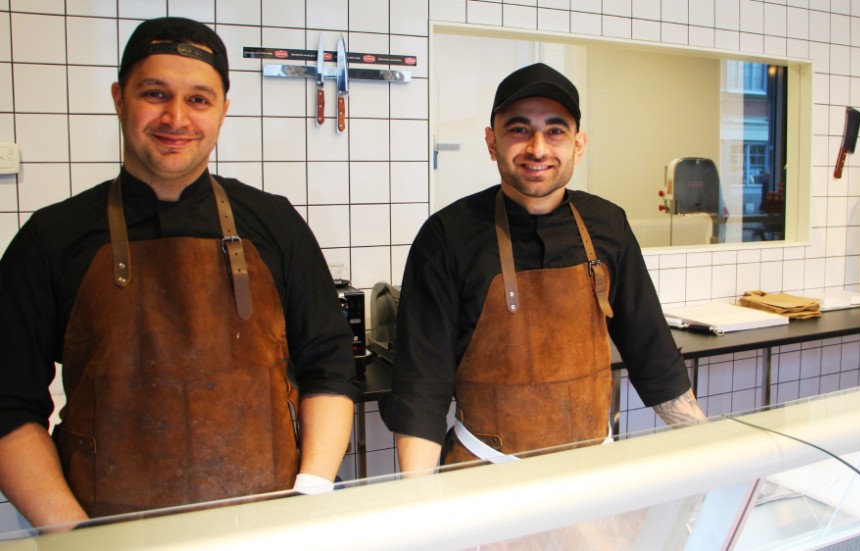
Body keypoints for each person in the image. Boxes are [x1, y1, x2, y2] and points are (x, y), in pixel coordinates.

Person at [0, 17, 360, 526]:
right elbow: (8, 405)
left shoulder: (274, 223)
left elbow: (329, 366)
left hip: (268, 523)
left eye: (198, 99)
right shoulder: (51, 238)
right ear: (119, 98)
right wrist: (74, 535)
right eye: (154, 93)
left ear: (222, 111)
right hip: (108, 530)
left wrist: (312, 493)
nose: (176, 117)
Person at [382, 63, 706, 472]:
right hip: (486, 473)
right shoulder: (447, 238)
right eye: (519, 130)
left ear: (579, 143)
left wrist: (711, 452)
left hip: (593, 477)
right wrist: (421, 502)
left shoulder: (609, 225)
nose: (538, 147)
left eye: (555, 131)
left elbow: (654, 358)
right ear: (490, 141)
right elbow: (420, 392)